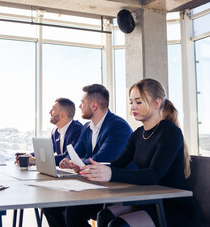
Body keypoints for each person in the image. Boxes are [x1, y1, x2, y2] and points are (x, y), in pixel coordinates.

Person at [80, 78, 201, 227]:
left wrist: (110, 173)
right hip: (149, 199)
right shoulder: (138, 134)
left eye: (138, 102)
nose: (133, 108)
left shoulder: (170, 132)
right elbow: (119, 164)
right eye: (131, 102)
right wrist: (92, 169)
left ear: (157, 103)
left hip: (173, 206)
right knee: (103, 216)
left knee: (117, 225)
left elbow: (153, 175)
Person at [43, 84, 134, 227]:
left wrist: (77, 162)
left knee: (73, 212)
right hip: (95, 186)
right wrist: (68, 160)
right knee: (50, 206)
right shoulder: (87, 128)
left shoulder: (118, 127)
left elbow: (100, 160)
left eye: (82, 103)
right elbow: (74, 154)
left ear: (94, 106)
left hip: (117, 189)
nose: (79, 106)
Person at [16, 98, 82, 166]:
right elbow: (48, 152)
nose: (50, 112)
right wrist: (28, 156)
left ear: (62, 115)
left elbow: (67, 157)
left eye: (53, 109)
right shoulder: (55, 131)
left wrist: (35, 160)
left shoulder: (78, 130)